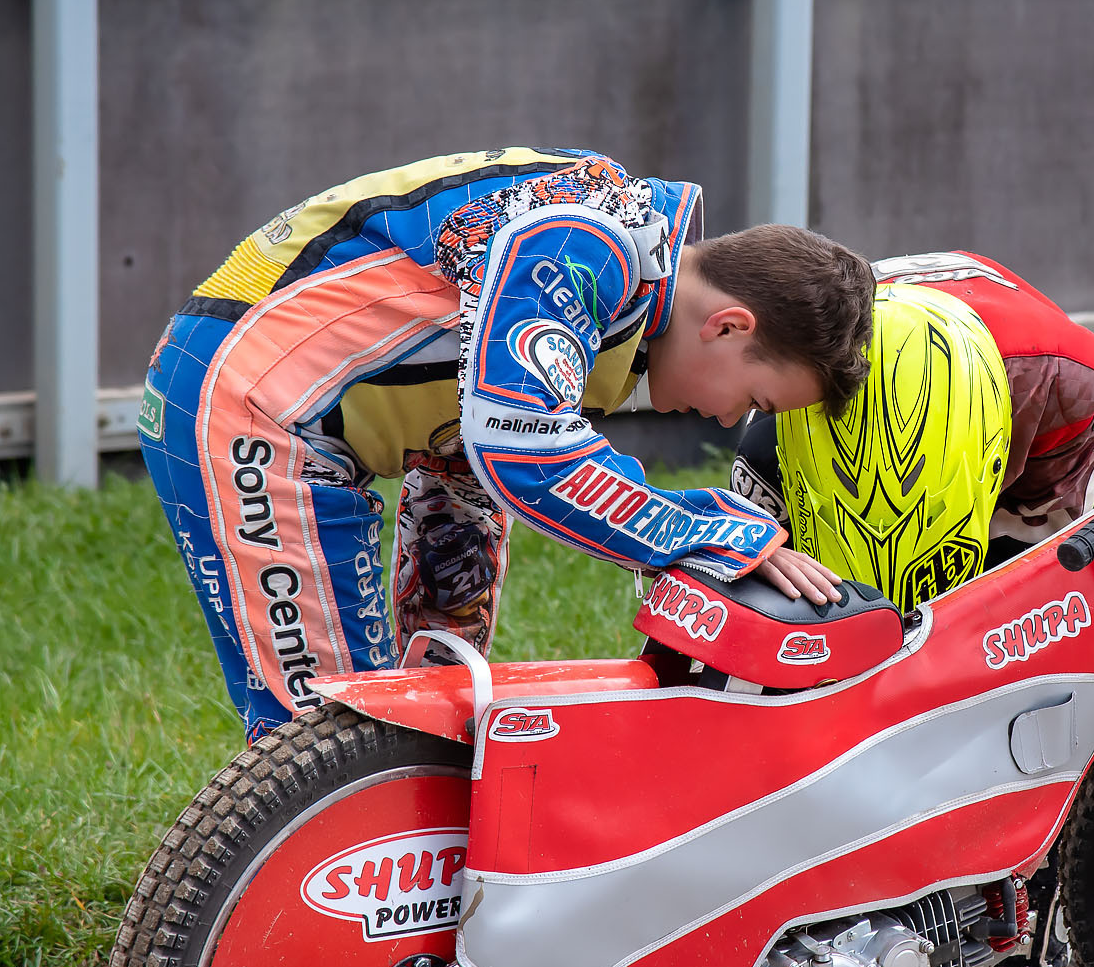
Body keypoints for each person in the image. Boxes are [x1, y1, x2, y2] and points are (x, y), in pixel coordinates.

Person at [138, 148, 870, 740]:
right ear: (729, 326)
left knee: (420, 707)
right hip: (248, 401)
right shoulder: (588, 245)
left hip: (278, 388)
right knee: (329, 739)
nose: (726, 418)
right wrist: (714, 532)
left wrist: (437, 679)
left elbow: (469, 458)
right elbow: (525, 452)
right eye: (754, 400)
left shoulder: (626, 275)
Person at [731, 249, 1094, 967]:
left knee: (1037, 701)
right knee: (772, 668)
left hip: (1015, 422)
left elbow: (1049, 636)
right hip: (834, 417)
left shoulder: (1059, 391)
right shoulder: (777, 420)